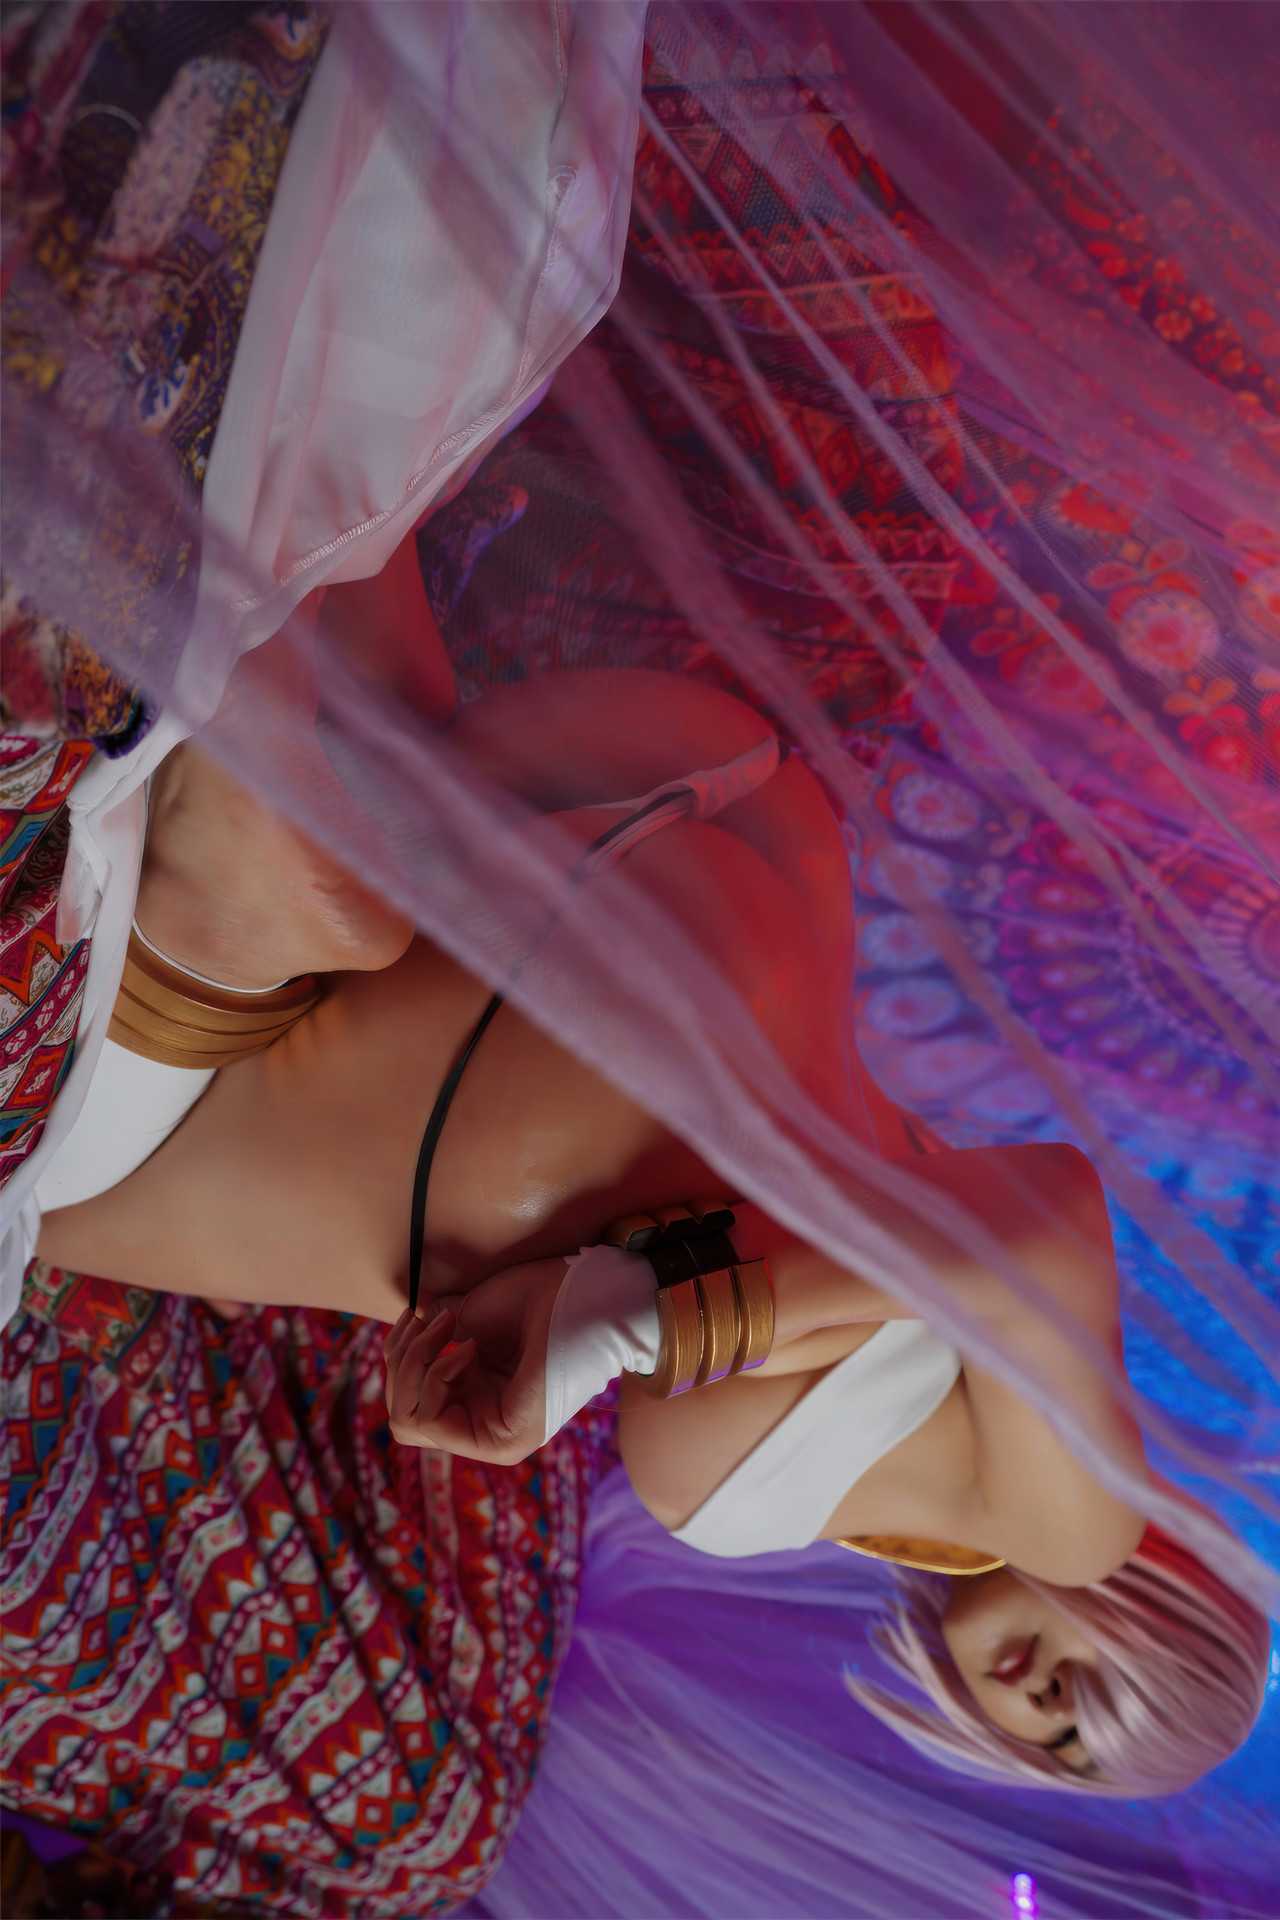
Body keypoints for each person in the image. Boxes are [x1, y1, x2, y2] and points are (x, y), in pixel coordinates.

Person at [34, 595, 1271, 1800]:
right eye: (1105, 1691)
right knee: (52, 1192)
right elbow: (1035, 1226)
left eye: (1061, 1747)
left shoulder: (943, 1495)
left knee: (297, 611)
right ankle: (239, 897)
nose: (1047, 1697)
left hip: (675, 826)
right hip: (583, 1048)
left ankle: (276, 698)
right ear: (1166, 1601)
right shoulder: (1074, 1529)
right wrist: (608, 1326)